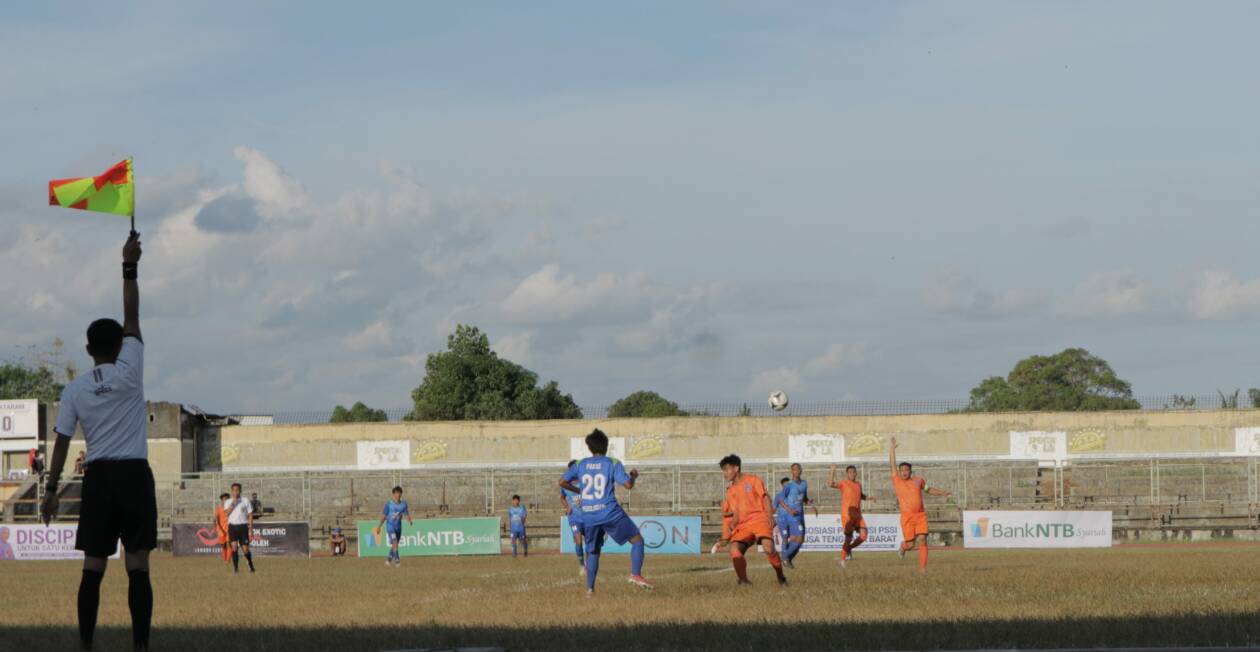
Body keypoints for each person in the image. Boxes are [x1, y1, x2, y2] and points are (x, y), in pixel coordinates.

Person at [40, 232, 155, 652]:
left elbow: (61, 444)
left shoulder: (75, 390)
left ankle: (87, 643)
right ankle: (140, 645)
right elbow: (132, 314)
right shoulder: (131, 370)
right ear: (121, 345)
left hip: (100, 478)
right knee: (138, 565)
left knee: (93, 567)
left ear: (88, 349)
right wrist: (129, 265)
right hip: (135, 475)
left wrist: (51, 491)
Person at [559, 429, 652, 594]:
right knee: (637, 540)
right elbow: (628, 485)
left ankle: (590, 590)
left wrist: (579, 490)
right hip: (609, 512)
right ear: (606, 446)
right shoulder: (612, 462)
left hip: (588, 514)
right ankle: (636, 574)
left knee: (593, 551)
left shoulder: (580, 464)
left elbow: (562, 482)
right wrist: (633, 476)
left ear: (589, 447)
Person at [718, 454, 787, 586]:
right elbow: (736, 513)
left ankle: (780, 576)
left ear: (736, 468)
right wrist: (732, 526)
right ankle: (744, 581)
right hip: (744, 525)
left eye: (727, 469)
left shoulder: (753, 480)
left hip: (760, 519)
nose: (724, 473)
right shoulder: (730, 491)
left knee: (768, 548)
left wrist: (770, 515)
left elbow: (765, 498)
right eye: (723, 470)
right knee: (734, 549)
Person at [890, 437, 951, 572]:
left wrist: (942, 493)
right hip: (907, 517)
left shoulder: (918, 481)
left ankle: (923, 569)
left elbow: (928, 489)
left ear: (911, 471)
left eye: (907, 470)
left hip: (920, 515)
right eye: (902, 470)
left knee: (923, 539)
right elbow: (892, 465)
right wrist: (892, 449)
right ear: (899, 472)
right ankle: (903, 547)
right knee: (911, 545)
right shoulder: (897, 480)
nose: (904, 472)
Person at [829, 464, 874, 567]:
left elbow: (860, 495)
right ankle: (842, 559)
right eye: (850, 472)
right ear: (847, 474)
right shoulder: (843, 483)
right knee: (848, 538)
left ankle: (849, 548)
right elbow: (830, 484)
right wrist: (832, 471)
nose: (852, 474)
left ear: (856, 473)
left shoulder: (858, 484)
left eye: (854, 472)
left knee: (864, 535)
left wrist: (868, 498)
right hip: (847, 515)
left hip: (858, 515)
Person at [780, 463, 810, 568]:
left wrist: (810, 503)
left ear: (801, 470)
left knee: (801, 540)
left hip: (801, 515)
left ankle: (787, 559)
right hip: (792, 516)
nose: (797, 471)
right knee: (799, 539)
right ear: (792, 471)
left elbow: (804, 497)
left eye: (798, 469)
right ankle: (784, 557)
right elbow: (780, 499)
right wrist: (789, 510)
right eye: (794, 469)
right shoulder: (788, 485)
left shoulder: (804, 483)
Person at [376, 486, 412, 567]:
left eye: (399, 493)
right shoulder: (389, 504)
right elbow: (383, 516)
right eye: (396, 493)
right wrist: (379, 527)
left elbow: (406, 514)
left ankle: (388, 559)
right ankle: (397, 560)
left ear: (401, 494)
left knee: (395, 545)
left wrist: (409, 520)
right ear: (393, 494)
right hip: (390, 527)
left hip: (398, 527)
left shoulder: (404, 504)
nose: (398, 495)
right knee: (395, 542)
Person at [561, 460, 586, 575]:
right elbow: (562, 497)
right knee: (578, 540)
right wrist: (567, 507)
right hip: (574, 518)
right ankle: (582, 565)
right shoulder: (565, 484)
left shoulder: (585, 482)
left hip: (588, 517)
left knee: (591, 543)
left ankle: (589, 564)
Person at [224, 483, 256, 573]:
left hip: (243, 526)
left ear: (240, 491)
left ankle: (250, 563)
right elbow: (226, 514)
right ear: (231, 491)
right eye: (234, 490)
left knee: (245, 549)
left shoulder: (245, 500)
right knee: (234, 547)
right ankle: (236, 569)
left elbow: (250, 514)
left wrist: (250, 529)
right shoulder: (228, 502)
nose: (235, 492)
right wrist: (233, 504)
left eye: (237, 490)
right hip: (232, 526)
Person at [772, 477, 793, 555]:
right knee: (785, 537)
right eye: (785, 485)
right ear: (782, 485)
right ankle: (784, 555)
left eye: (788, 484)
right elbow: (774, 509)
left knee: (793, 538)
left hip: (792, 520)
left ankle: (787, 552)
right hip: (782, 520)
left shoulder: (793, 495)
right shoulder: (778, 496)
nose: (787, 486)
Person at [213, 493, 231, 565]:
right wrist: (215, 527)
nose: (225, 500)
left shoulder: (231, 508)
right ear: (222, 500)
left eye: (226, 499)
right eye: (223, 499)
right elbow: (215, 519)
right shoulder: (218, 508)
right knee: (223, 545)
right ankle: (225, 559)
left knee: (229, 544)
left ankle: (228, 560)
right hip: (221, 530)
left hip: (229, 529)